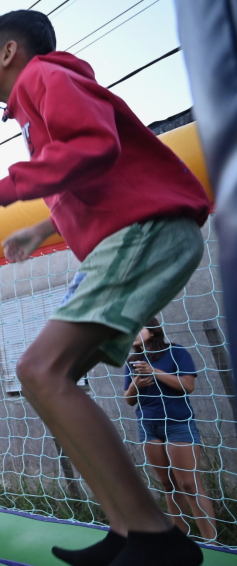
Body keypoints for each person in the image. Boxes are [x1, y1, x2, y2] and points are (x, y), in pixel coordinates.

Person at [0, 10, 209, 566]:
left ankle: (154, 534)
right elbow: (82, 178)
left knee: (41, 369)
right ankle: (125, 528)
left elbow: (97, 144)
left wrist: (2, 192)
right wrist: (41, 230)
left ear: (10, 52)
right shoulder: (36, 107)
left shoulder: (47, 77)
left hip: (147, 228)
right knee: (45, 376)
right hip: (132, 233)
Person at [176, 1, 237, 414]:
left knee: (42, 367)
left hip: (163, 228)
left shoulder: (47, 82)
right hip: (151, 426)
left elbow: (188, 385)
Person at [124, 319, 217, 542]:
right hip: (148, 426)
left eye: (139, 327)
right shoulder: (132, 361)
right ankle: (180, 541)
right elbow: (129, 400)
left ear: (153, 329)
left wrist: (154, 372)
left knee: (189, 484)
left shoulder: (176, 352)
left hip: (178, 424)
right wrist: (137, 384)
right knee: (168, 484)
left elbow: (188, 386)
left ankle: (212, 542)